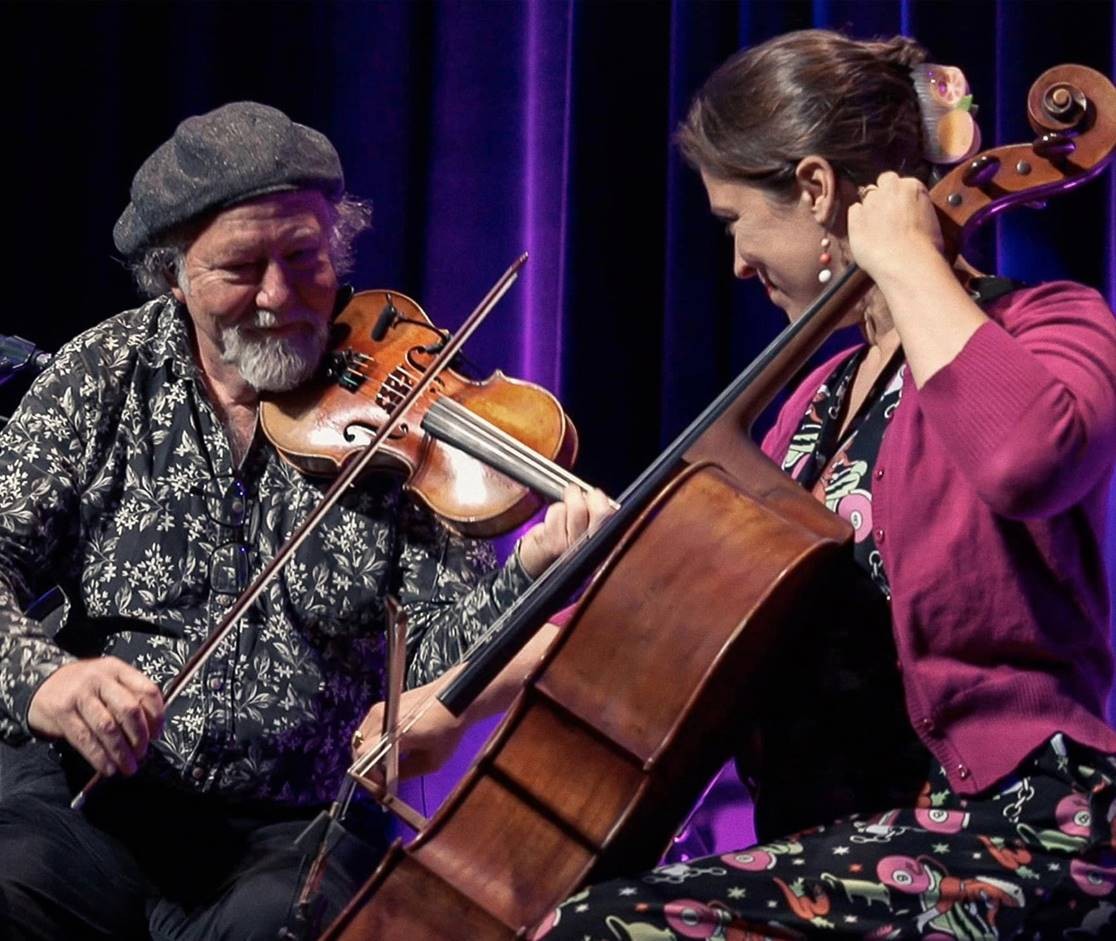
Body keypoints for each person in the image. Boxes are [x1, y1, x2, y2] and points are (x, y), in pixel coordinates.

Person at [361, 30, 1116, 938]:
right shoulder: (811, 402)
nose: (737, 264)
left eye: (735, 222)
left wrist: (910, 257)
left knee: (601, 929)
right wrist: (455, 698)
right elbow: (668, 614)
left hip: (1017, 829)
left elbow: (1026, 458)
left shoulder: (1049, 324)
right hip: (847, 848)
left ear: (815, 189)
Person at [0, 101, 609, 941]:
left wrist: (529, 576)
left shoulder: (405, 410)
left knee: (289, 926)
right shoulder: (102, 375)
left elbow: (433, 662)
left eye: (304, 257)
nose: (279, 296)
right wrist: (45, 679)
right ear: (173, 275)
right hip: (91, 798)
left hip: (294, 824)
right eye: (240, 267)